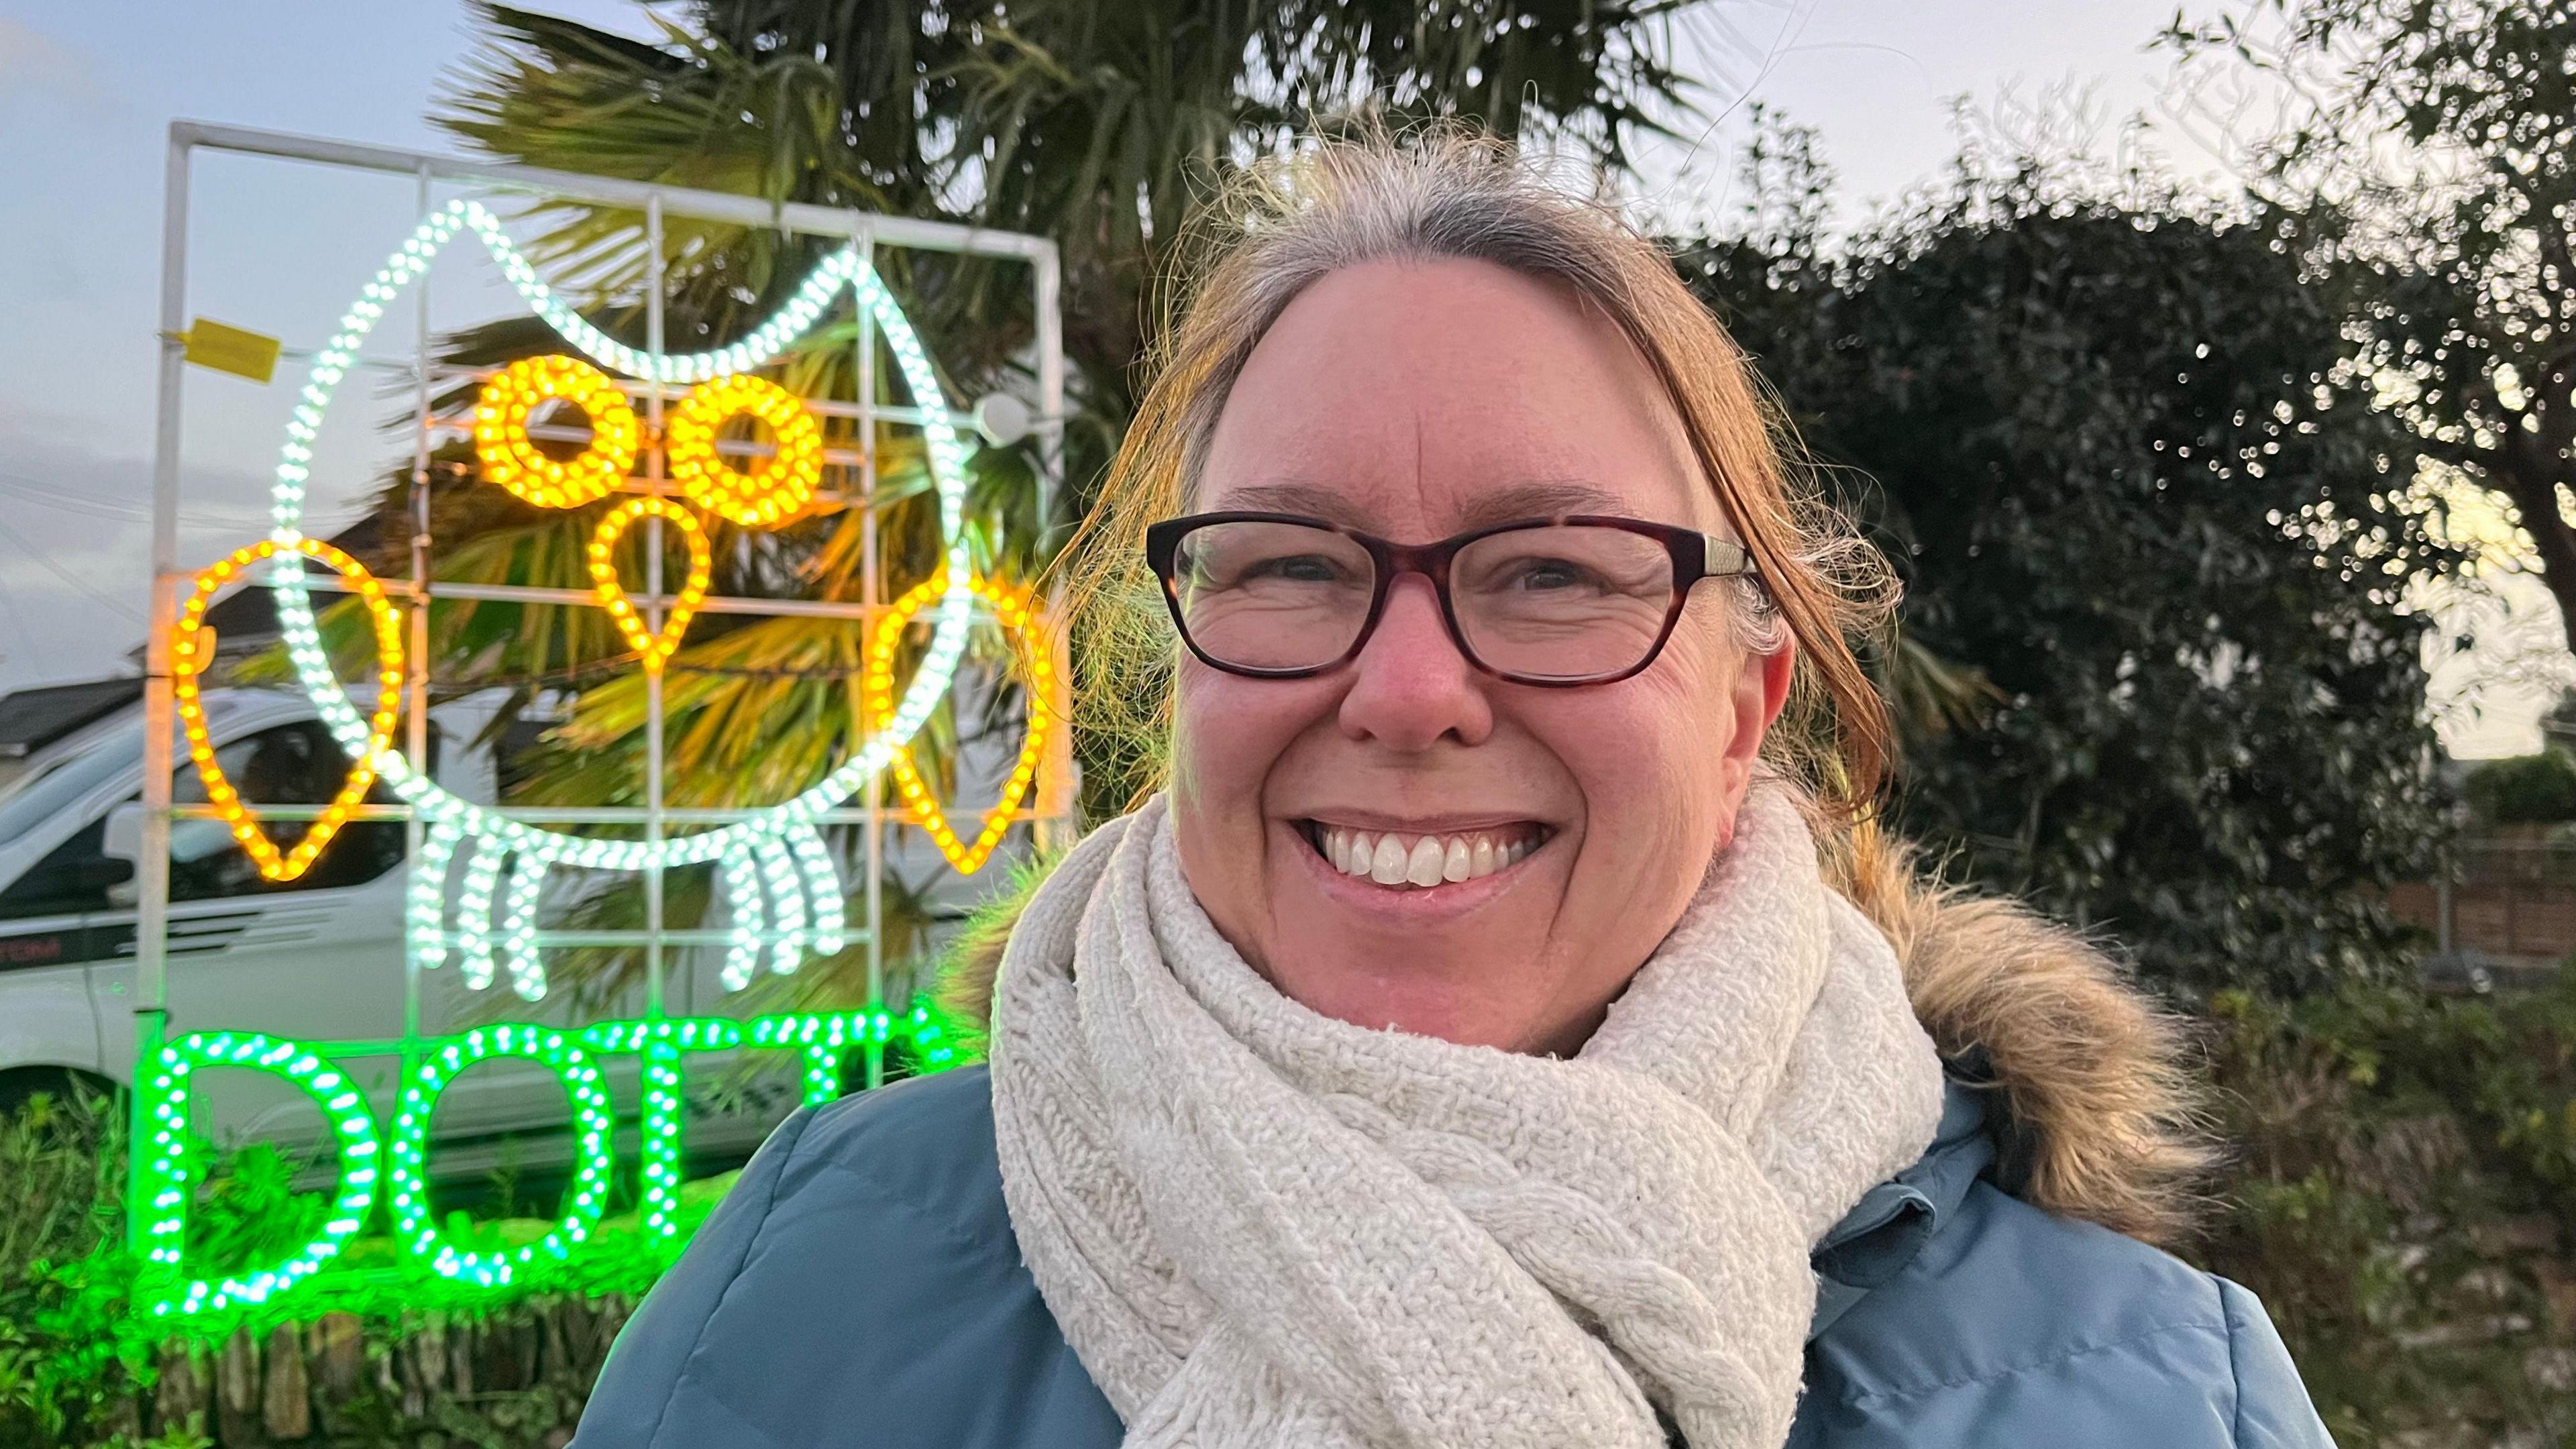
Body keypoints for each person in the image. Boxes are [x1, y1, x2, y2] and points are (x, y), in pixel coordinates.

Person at [568, 123, 2335, 1449]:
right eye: (1286, 564)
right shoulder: (791, 1284)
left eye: (1558, 571)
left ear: (1744, 710)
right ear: (1177, 666)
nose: (1407, 691)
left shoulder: (2161, 1396)